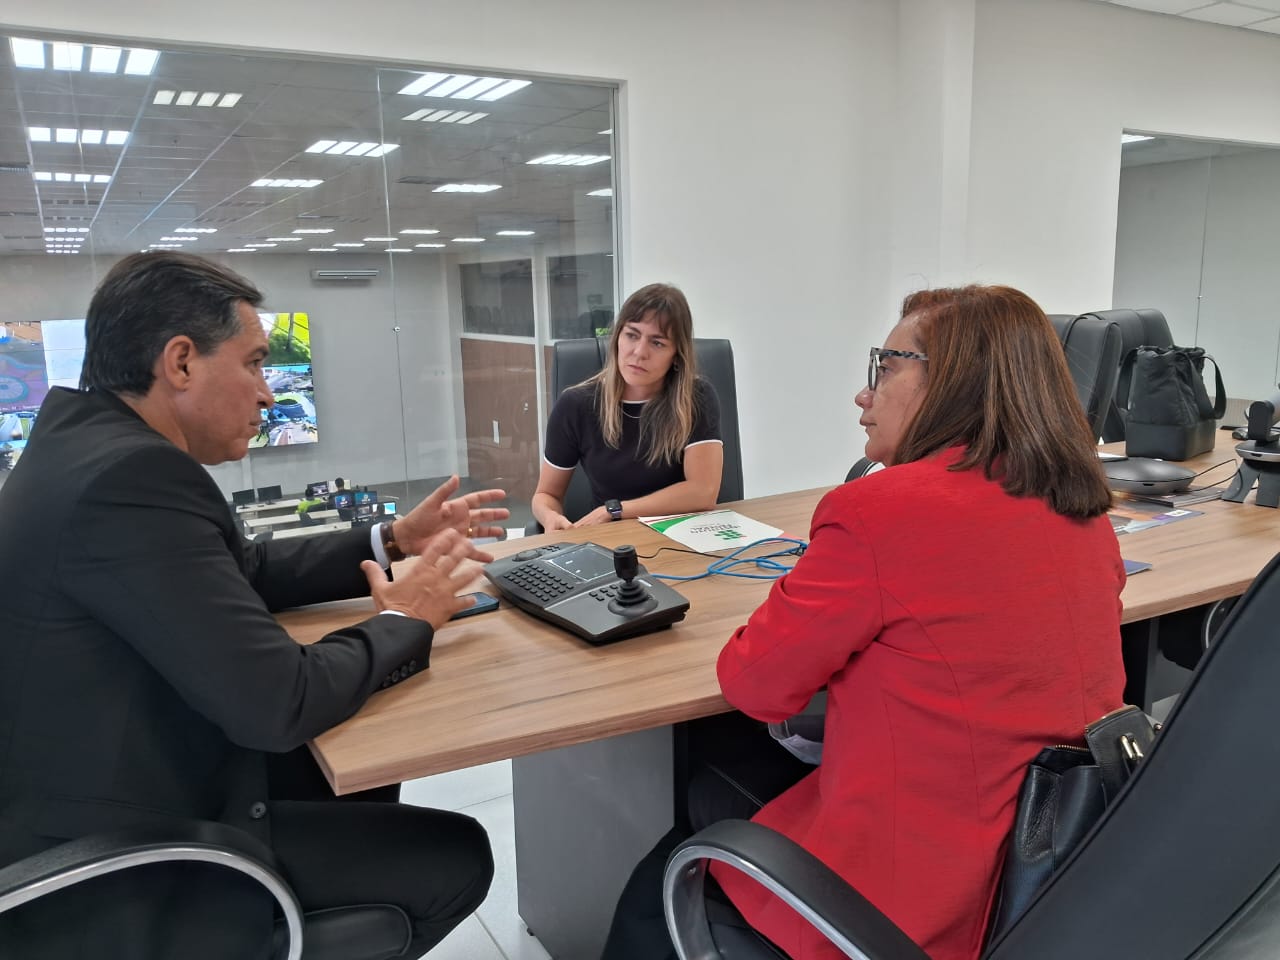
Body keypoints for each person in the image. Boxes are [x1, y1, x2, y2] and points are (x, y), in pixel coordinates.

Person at [0, 252, 510, 960]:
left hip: (107, 783)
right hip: (120, 863)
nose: (268, 394)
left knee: (369, 770)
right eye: (255, 364)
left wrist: (390, 538)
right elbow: (280, 702)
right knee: (455, 857)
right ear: (180, 363)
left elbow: (242, 569)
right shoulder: (131, 476)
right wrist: (405, 619)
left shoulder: (86, 444)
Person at [603, 284, 1126, 960]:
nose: (864, 394)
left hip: (904, 908)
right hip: (1047, 876)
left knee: (670, 855)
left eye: (886, 365)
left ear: (954, 384)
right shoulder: (1085, 510)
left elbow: (753, 686)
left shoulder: (879, 512)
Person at [531, 282, 724, 529]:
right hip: (612, 538)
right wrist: (551, 518)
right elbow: (546, 495)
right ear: (617, 338)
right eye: (632, 335)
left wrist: (615, 510)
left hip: (683, 533)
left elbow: (703, 492)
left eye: (657, 343)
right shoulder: (576, 405)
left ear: (676, 354)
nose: (639, 352)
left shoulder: (695, 397)